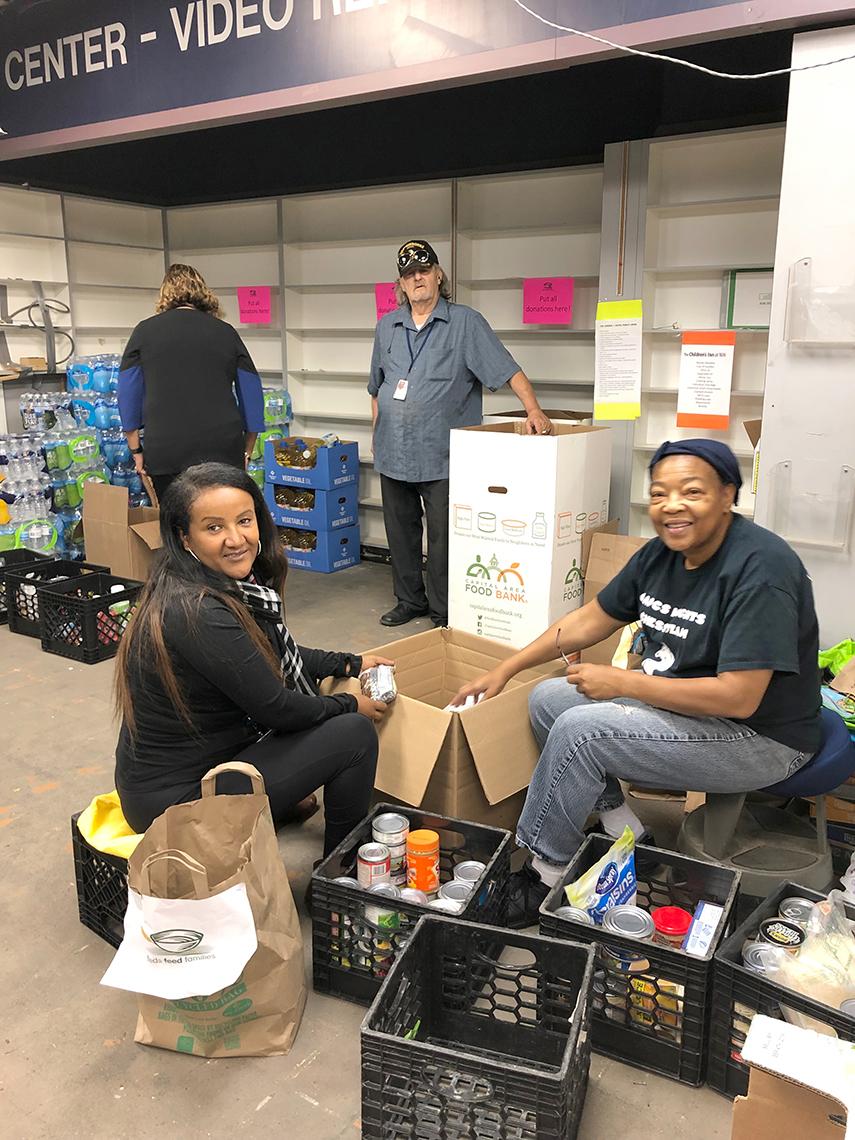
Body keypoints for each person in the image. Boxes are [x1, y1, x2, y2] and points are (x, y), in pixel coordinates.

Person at [454, 439, 822, 926]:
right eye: (659, 493)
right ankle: (622, 827)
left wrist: (624, 685)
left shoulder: (760, 571)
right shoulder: (660, 555)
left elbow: (740, 696)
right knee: (548, 699)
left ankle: (543, 873)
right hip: (691, 709)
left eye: (692, 491)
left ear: (728, 494)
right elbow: (591, 620)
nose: (672, 505)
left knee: (582, 732)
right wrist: (507, 668)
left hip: (761, 737)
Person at [114, 462, 393, 857]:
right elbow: (279, 709)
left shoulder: (204, 583)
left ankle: (275, 807)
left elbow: (269, 656)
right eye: (214, 528)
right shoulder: (198, 611)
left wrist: (348, 664)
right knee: (352, 734)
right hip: (174, 806)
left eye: (244, 521)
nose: (235, 539)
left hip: (187, 773)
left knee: (312, 713)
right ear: (184, 536)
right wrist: (352, 703)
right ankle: (340, 871)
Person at [369, 238, 553, 629]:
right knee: (400, 533)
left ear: (438, 275)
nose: (416, 278)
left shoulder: (465, 323)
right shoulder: (387, 326)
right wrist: (377, 431)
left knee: (444, 539)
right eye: (408, 273)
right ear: (401, 284)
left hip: (443, 454)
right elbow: (377, 386)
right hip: (393, 451)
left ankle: (444, 608)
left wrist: (533, 408)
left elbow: (507, 370)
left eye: (423, 270)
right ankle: (408, 600)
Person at [117, 264, 265, 503]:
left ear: (165, 293)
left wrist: (136, 452)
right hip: (223, 449)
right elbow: (252, 393)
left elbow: (127, 395)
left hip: (166, 449)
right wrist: (247, 449)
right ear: (203, 292)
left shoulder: (144, 332)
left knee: (175, 523)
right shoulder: (226, 332)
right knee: (220, 519)